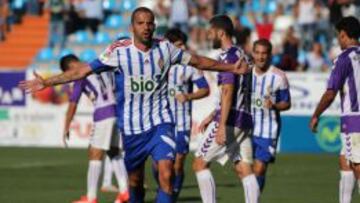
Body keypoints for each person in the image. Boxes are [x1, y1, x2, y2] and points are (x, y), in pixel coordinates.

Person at [19, 7, 249, 203]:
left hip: (161, 122)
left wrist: (231, 68)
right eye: (141, 23)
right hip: (132, 129)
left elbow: (198, 61)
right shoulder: (118, 52)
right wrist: (46, 81)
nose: (146, 27)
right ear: (132, 27)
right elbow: (82, 71)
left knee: (166, 174)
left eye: (150, 23)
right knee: (135, 181)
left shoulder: (166, 48)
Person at [192, 15, 259, 203]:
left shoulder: (228, 57)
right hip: (245, 119)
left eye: (211, 32)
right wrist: (211, 115)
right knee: (244, 169)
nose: (208, 35)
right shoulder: (242, 54)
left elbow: (228, 91)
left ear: (221, 33)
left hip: (230, 120)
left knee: (199, 164)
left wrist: (221, 124)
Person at [60, 54, 128, 203]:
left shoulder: (80, 74)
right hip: (116, 111)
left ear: (71, 67)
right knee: (114, 151)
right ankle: (125, 192)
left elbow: (73, 102)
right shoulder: (99, 64)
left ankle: (91, 198)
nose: (70, 76)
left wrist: (66, 126)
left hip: (103, 113)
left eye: (67, 73)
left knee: (94, 153)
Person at [309, 16, 360, 203]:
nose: (338, 39)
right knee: (345, 160)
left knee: (357, 166)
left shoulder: (343, 58)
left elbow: (330, 93)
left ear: (344, 35)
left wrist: (316, 115)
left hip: (354, 121)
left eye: (339, 35)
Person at [165, 28, 210, 200]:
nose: (182, 47)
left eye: (183, 44)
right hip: (161, 120)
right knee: (159, 165)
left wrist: (188, 96)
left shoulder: (190, 66)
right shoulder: (158, 64)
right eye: (178, 45)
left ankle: (172, 196)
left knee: (178, 164)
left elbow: (205, 89)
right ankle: (166, 189)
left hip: (182, 122)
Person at [250, 39, 291, 192]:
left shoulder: (279, 76)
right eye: (258, 53)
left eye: (264, 54)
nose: (261, 57)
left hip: (267, 130)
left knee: (259, 169)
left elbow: (286, 103)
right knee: (246, 171)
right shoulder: (245, 72)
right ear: (253, 54)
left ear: (270, 55)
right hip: (245, 129)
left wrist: (274, 105)